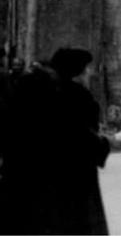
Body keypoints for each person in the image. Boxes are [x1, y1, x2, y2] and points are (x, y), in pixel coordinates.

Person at [1, 48, 110, 235]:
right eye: (85, 69)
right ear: (76, 71)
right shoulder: (71, 94)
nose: (88, 73)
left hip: (24, 177)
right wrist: (103, 145)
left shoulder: (27, 87)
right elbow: (80, 135)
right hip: (66, 181)